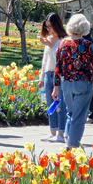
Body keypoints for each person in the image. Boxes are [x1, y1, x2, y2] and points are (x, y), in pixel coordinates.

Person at [54, 14, 93, 148]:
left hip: (66, 83)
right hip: (83, 82)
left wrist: (56, 87)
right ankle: (72, 146)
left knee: (70, 112)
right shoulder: (87, 44)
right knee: (79, 116)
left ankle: (68, 138)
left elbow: (57, 66)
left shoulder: (63, 43)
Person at [39, 12, 68, 142]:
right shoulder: (49, 39)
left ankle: (61, 133)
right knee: (50, 104)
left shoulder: (64, 40)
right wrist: (41, 78)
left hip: (60, 75)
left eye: (50, 26)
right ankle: (52, 131)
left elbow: (61, 60)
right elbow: (44, 61)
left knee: (60, 104)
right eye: (46, 27)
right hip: (48, 73)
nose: (48, 29)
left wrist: (50, 46)